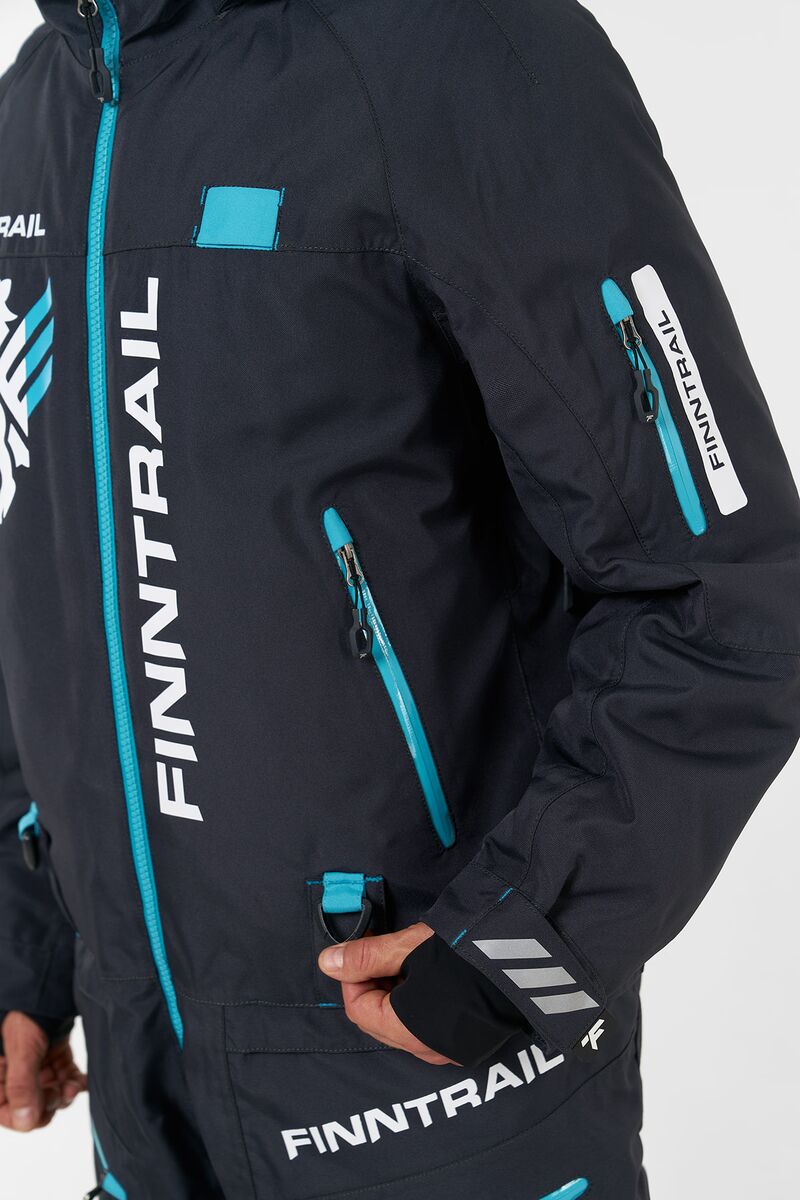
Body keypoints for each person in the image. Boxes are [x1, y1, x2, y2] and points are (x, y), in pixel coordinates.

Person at [1, 1, 798, 1196]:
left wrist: (520, 951)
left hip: (439, 1092)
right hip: (147, 1112)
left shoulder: (463, 48)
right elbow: (58, 580)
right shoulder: (43, 98)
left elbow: (724, 594)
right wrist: (23, 946)